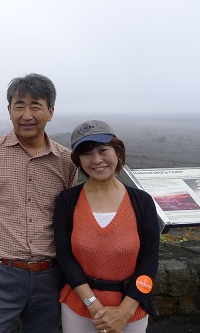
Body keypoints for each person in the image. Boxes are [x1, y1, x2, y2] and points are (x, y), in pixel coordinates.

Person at [0, 73, 77, 333]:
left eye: (36, 106)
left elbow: (68, 215)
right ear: (9, 110)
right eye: (19, 106)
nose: (27, 115)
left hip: (50, 275)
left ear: (50, 112)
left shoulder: (66, 161)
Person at [54, 120, 159, 333]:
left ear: (118, 152)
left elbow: (149, 261)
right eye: (86, 154)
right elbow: (65, 257)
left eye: (103, 150)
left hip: (131, 312)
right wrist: (94, 306)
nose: (97, 160)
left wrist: (124, 312)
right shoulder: (68, 201)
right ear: (78, 161)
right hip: (79, 310)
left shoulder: (142, 202)